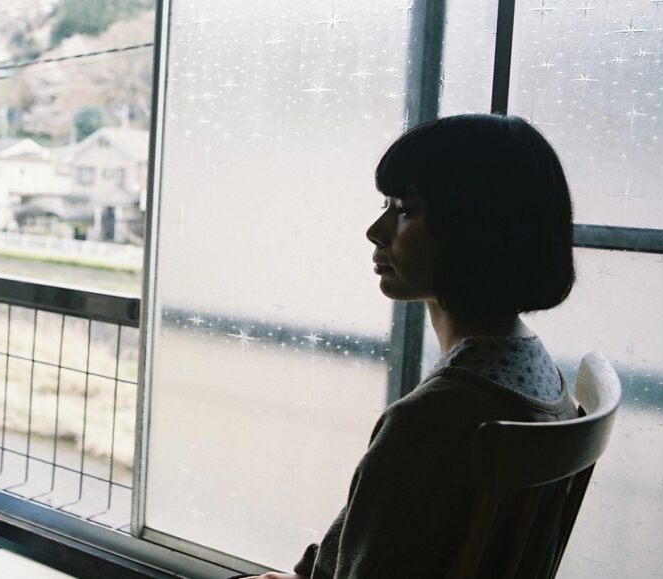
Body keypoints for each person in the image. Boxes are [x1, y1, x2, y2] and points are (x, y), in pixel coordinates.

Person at [244, 114, 579, 579]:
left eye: (405, 210)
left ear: (478, 226)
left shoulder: (440, 416)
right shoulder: (539, 375)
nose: (376, 231)